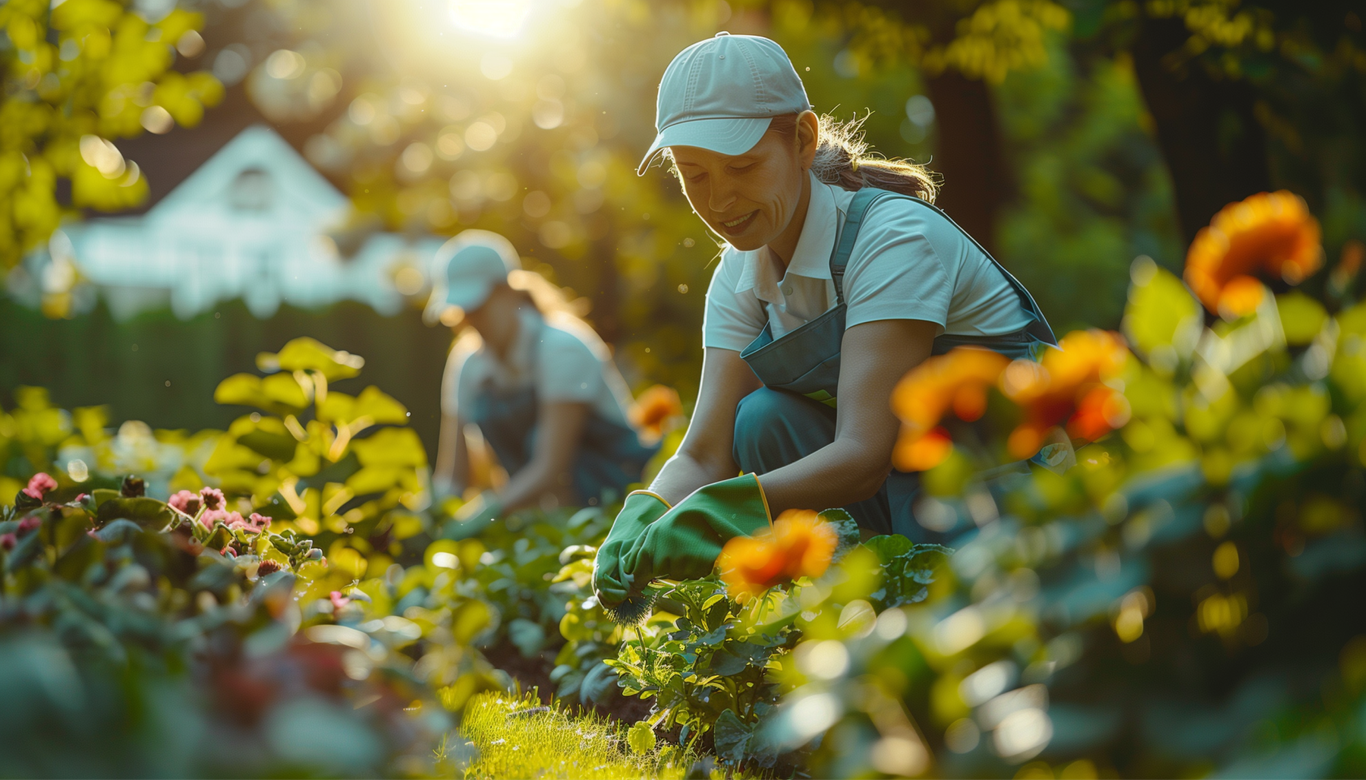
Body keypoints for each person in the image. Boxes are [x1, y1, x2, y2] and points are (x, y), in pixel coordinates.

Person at [592, 33, 1057, 609]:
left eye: (742, 166)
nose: (719, 200)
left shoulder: (892, 239)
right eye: (695, 174)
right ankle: (847, 624)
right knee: (760, 420)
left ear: (804, 140)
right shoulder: (739, 275)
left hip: (998, 475)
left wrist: (725, 509)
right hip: (907, 480)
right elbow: (704, 453)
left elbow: (862, 454)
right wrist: (646, 512)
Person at [426, 230, 657, 535]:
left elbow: (551, 468)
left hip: (613, 511)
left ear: (507, 291)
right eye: (463, 313)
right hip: (541, 521)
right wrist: (431, 520)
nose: (471, 321)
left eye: (478, 308)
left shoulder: (560, 346)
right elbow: (453, 478)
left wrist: (485, 515)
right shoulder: (468, 363)